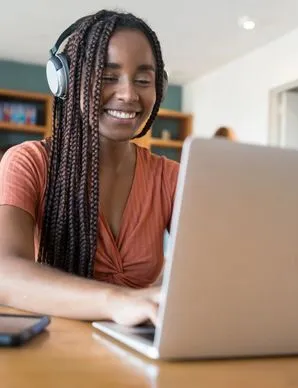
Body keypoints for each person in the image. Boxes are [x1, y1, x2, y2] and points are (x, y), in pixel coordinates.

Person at [0, 10, 178, 326]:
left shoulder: (171, 177)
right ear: (66, 81)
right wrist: (117, 301)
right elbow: (4, 272)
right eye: (108, 77)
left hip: (136, 353)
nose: (128, 94)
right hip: (54, 352)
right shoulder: (29, 162)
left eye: (143, 80)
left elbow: (215, 265)